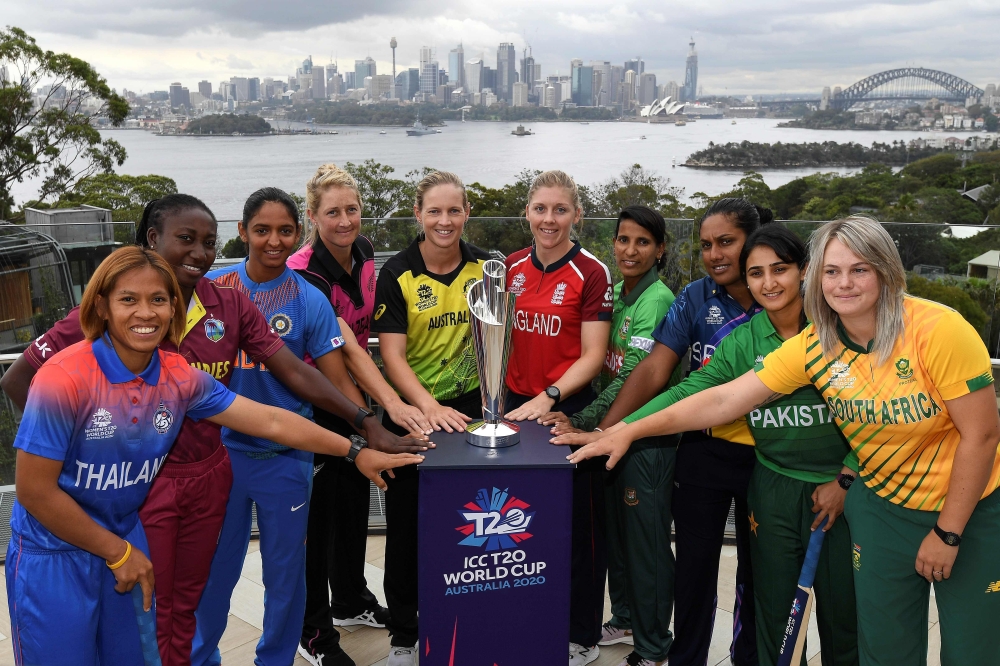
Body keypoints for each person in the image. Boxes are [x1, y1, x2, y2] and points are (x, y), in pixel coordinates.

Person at [0, 194, 423, 666]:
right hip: (89, 525)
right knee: (121, 627)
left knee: (180, 608)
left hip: (193, 483)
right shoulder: (71, 370)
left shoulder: (184, 365)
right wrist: (78, 447)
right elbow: (33, 469)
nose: (147, 313)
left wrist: (358, 442)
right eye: (131, 301)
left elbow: (271, 413)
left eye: (159, 302)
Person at [567, 216, 1000, 666]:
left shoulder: (938, 329)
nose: (844, 283)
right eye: (833, 271)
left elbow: (983, 434)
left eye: (860, 269)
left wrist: (946, 532)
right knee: (884, 647)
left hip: (963, 506)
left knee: (971, 648)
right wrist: (626, 430)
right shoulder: (815, 345)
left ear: (886, 270)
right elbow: (720, 399)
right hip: (880, 508)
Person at [560, 225, 859, 666]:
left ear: (806, 271)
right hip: (774, 481)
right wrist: (619, 429)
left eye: (780, 270)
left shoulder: (839, 326)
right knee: (774, 612)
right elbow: (698, 391)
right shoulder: (745, 339)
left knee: (844, 616)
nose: (769, 282)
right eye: (756, 273)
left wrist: (847, 474)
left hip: (841, 488)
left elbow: (876, 411)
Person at [190, 188, 426, 666]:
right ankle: (199, 658)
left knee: (286, 574)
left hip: (287, 456)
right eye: (261, 230)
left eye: (284, 231)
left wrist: (368, 427)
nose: (273, 241)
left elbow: (330, 374)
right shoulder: (212, 289)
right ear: (242, 232)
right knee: (216, 572)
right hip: (222, 456)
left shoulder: (308, 298)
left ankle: (275, 658)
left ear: (298, 233)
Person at [563, 197, 766, 666]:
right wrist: (609, 429)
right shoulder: (693, 297)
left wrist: (606, 427)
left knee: (758, 575)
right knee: (693, 571)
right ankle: (681, 657)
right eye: (707, 244)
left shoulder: (781, 297)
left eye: (727, 242)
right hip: (702, 448)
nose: (715, 254)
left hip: (765, 453)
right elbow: (654, 367)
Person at [288, 164, 432, 666]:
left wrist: (372, 409)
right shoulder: (304, 270)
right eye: (332, 212)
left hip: (352, 398)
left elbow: (363, 339)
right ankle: (312, 630)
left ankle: (349, 601)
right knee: (316, 519)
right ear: (312, 216)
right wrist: (374, 413)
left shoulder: (366, 253)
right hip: (312, 401)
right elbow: (343, 346)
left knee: (351, 504)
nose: (345, 220)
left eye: (351, 209)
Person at [542, 206, 678, 666]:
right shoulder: (619, 292)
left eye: (643, 242)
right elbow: (601, 367)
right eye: (623, 240)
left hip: (645, 439)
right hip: (614, 431)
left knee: (647, 547)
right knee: (617, 538)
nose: (630, 250)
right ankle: (623, 618)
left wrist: (589, 426)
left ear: (660, 249)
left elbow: (636, 377)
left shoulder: (657, 299)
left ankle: (655, 645)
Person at [372, 171, 490, 666]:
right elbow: (392, 357)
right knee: (404, 531)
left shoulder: (485, 270)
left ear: (466, 214)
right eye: (435, 211)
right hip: (411, 417)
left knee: (466, 525)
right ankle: (404, 634)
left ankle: (464, 617)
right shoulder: (398, 272)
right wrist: (426, 407)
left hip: (468, 413)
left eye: (455, 211)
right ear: (418, 214)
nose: (445, 221)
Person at [502, 170, 613, 666]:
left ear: (576, 214)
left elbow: (593, 355)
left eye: (560, 210)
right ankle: (526, 613)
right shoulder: (509, 267)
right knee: (522, 523)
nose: (550, 220)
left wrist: (550, 397)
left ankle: (582, 634)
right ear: (527, 212)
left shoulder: (591, 272)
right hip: (514, 409)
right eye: (541, 209)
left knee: (579, 530)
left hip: (567, 413)